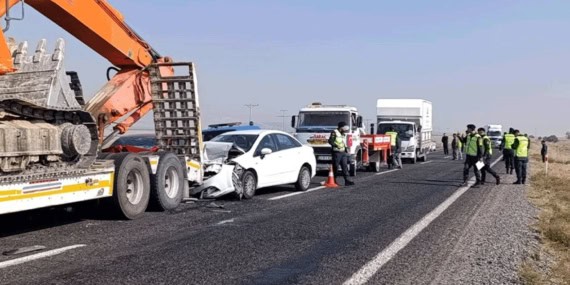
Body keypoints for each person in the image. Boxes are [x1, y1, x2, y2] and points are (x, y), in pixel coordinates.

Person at [328, 122, 354, 186]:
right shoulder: (334, 132)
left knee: (345, 167)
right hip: (336, 153)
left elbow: (342, 142)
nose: (345, 129)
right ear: (340, 127)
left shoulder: (343, 134)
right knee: (335, 167)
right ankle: (334, 180)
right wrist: (336, 145)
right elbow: (330, 141)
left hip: (343, 153)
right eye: (344, 128)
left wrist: (346, 149)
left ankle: (347, 181)